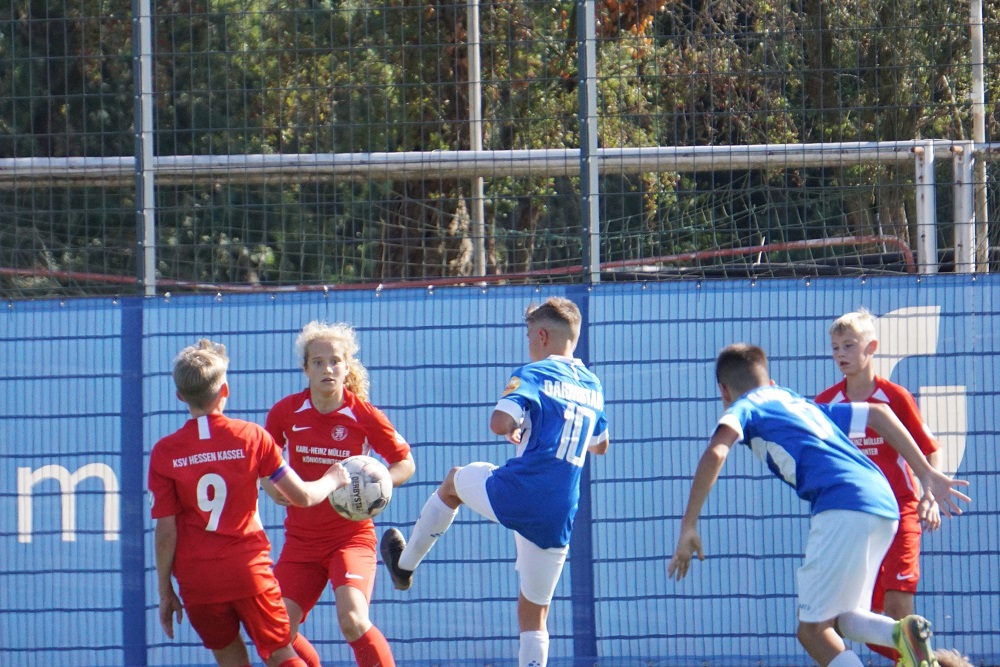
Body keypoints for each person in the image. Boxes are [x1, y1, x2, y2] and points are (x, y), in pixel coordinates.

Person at [667, 343, 970, 667]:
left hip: (843, 505)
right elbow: (878, 414)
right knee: (842, 618)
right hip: (883, 504)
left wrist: (688, 526)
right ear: (769, 380)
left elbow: (716, 452)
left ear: (723, 391)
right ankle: (904, 634)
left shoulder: (744, 407)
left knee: (811, 632)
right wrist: (925, 472)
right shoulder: (797, 403)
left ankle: (903, 637)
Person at [379, 296, 609, 667]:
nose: (529, 344)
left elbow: (499, 422)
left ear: (544, 336)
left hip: (519, 490)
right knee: (534, 614)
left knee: (454, 481)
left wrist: (515, 424)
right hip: (559, 510)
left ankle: (403, 566)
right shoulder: (593, 385)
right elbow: (601, 446)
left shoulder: (535, 373)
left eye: (531, 336)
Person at [149, 339, 351, 667]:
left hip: (197, 579)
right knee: (280, 652)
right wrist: (333, 479)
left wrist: (164, 590)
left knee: (230, 659)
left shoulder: (165, 451)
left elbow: (166, 531)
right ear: (225, 391)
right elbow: (301, 497)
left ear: (180, 396)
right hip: (247, 570)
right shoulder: (251, 436)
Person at [262, 321, 415, 667]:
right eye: (317, 362)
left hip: (350, 538)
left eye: (335, 361)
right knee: (274, 635)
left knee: (352, 620)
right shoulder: (286, 412)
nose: (327, 369)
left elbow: (405, 463)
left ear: (347, 367)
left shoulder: (361, 413)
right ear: (305, 369)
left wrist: (378, 485)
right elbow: (265, 462)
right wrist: (269, 486)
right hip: (301, 541)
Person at [816, 308, 948, 665]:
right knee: (852, 620)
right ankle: (930, 660)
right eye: (835, 348)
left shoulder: (895, 397)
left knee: (898, 608)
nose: (840, 354)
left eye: (849, 345)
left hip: (901, 510)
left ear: (871, 347)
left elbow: (930, 453)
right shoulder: (826, 404)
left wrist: (928, 497)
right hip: (855, 522)